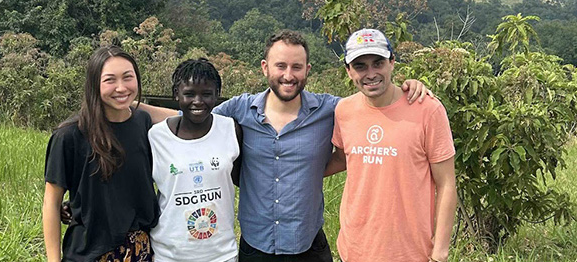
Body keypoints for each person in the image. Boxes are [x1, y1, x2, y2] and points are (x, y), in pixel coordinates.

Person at [140, 30, 435, 262]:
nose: (288, 75)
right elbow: (192, 115)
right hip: (256, 245)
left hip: (308, 244)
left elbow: (367, 116)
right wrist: (132, 106)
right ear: (266, 67)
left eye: (296, 67)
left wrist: (408, 87)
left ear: (308, 69)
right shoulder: (241, 110)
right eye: (281, 65)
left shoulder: (331, 110)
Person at [327, 28, 457, 262]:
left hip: (410, 252)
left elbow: (446, 183)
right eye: (360, 66)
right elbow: (342, 159)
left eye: (378, 63)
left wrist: (440, 251)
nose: (371, 73)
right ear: (348, 71)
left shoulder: (426, 109)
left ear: (392, 63)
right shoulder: (344, 110)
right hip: (354, 248)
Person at [43, 46, 159, 262]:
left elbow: (185, 116)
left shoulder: (143, 123)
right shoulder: (70, 135)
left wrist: (128, 101)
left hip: (140, 250)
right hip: (88, 252)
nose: (121, 87)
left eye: (128, 78)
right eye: (110, 80)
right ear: (94, 84)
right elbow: (51, 203)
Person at [147, 58, 242, 262]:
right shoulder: (156, 137)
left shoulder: (230, 129)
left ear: (217, 95)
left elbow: (245, 180)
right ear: (176, 95)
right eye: (189, 94)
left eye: (206, 94)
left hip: (221, 255)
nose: (198, 101)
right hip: (169, 255)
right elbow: (135, 188)